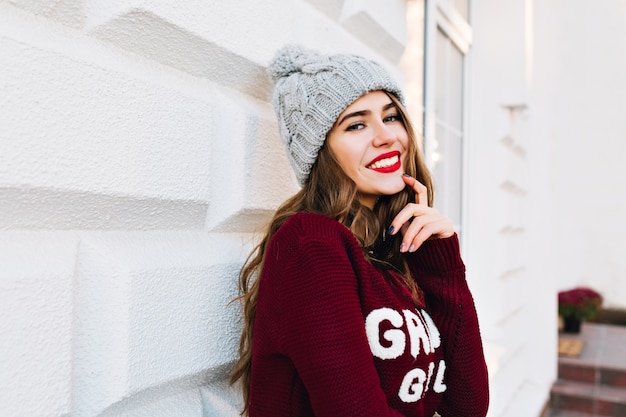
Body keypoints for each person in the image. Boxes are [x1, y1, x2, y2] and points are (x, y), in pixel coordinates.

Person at [230, 44, 489, 417]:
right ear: (321, 152)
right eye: (356, 124)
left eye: (391, 117)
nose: (386, 136)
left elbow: (468, 406)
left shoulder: (393, 253)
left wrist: (443, 264)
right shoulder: (311, 245)